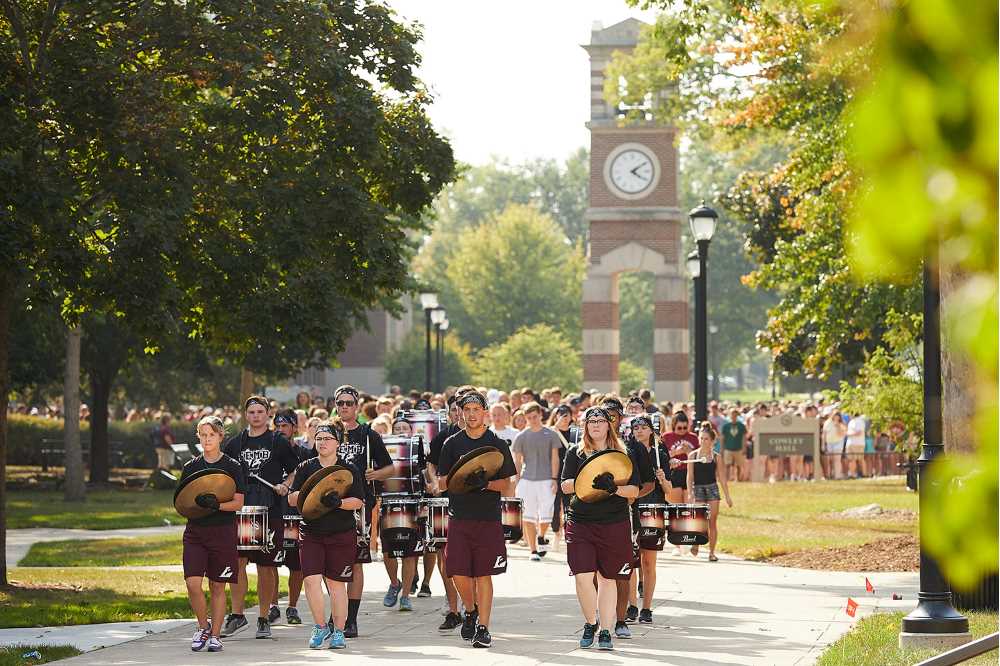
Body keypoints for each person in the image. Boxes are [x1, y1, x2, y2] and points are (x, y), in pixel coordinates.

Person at [436, 390, 517, 649]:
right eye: (466, 409)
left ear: (485, 412)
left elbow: (506, 483)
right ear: (460, 412)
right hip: (459, 517)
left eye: (476, 409)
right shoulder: (452, 444)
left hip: (487, 518)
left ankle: (483, 627)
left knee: (484, 573)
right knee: (457, 571)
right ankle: (469, 610)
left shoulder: (497, 443)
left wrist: (486, 483)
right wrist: (460, 479)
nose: (471, 414)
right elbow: (440, 482)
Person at [560, 406, 641, 651]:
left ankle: (605, 630)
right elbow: (564, 485)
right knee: (583, 577)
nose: (595, 425)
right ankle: (590, 622)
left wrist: (613, 488)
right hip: (581, 522)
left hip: (613, 523)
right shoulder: (576, 452)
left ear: (609, 425)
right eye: (590, 421)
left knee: (607, 579)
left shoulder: (623, 454)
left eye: (600, 420)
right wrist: (585, 482)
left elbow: (634, 492)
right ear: (585, 426)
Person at [221, 396, 300, 639]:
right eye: (251, 412)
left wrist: (286, 485)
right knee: (238, 564)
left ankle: (264, 617)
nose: (255, 415)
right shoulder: (235, 444)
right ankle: (237, 615)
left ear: (268, 414)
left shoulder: (278, 442)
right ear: (246, 415)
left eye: (260, 411)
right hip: (242, 511)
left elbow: (296, 469)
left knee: (266, 567)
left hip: (271, 510)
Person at [288, 419, 366, 650]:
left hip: (341, 533)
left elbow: (358, 501)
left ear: (338, 443)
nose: (321, 443)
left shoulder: (348, 469)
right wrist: (309, 495)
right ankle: (321, 626)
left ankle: (339, 632)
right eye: (318, 438)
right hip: (311, 532)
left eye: (327, 439)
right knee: (311, 581)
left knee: (336, 585)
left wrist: (338, 502)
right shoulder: (306, 467)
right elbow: (292, 498)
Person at [331, 385, 394, 638]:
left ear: (356, 406)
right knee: (331, 562)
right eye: (340, 403)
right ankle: (337, 612)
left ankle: (351, 620)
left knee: (356, 561)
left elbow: (389, 468)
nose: (344, 407)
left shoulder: (368, 435)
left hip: (360, 505)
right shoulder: (328, 432)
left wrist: (374, 474)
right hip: (331, 505)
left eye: (349, 403)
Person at [180, 416, 246, 653]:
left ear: (220, 436)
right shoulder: (191, 467)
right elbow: (182, 502)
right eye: (203, 435)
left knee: (218, 586)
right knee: (193, 584)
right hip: (195, 532)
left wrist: (216, 505)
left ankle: (216, 636)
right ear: (198, 436)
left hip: (222, 532)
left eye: (212, 435)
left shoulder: (232, 466)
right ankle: (202, 626)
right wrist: (195, 505)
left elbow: (238, 502)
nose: (207, 440)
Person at [266, 409, 311, 626]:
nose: (281, 430)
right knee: (271, 562)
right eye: (278, 426)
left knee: (296, 565)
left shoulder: (304, 454)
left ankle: (292, 606)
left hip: (296, 514)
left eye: (285, 426)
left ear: (294, 427)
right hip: (275, 513)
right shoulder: (270, 451)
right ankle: (273, 605)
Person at [426, 394, 464, 631]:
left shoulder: (484, 436)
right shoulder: (443, 437)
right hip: (446, 502)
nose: (460, 413)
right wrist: (434, 484)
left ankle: (474, 607)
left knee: (472, 558)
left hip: (473, 503)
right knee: (444, 558)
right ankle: (453, 610)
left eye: (464, 408)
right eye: (455, 410)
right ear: (449, 414)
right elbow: (430, 464)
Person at [511, 402, 562, 561]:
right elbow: (517, 461)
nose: (533, 420)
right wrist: (517, 481)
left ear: (540, 414)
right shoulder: (521, 436)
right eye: (529, 417)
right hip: (526, 480)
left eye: (535, 416)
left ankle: (541, 535)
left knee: (546, 512)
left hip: (547, 479)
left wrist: (554, 478)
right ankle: (533, 550)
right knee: (528, 515)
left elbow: (555, 458)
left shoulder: (551, 434)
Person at [626, 415, 663, 625]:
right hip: (632, 509)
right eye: (635, 427)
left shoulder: (661, 452)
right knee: (631, 560)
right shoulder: (628, 450)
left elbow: (668, 490)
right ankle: (632, 605)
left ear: (651, 430)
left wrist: (663, 479)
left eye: (643, 427)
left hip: (654, 508)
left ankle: (646, 608)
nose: (639, 430)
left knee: (649, 562)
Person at [686, 422, 733, 561]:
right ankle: (696, 542)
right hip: (698, 488)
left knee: (712, 521)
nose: (703, 441)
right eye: (701, 438)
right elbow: (690, 476)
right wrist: (690, 493)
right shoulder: (693, 456)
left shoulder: (716, 457)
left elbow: (722, 478)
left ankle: (711, 552)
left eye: (706, 439)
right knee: (700, 520)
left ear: (713, 441)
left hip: (712, 488)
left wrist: (728, 496)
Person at [720, 409, 748, 483]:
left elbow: (744, 437)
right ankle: (727, 479)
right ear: (730, 415)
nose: (734, 416)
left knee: (738, 465)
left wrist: (744, 447)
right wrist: (722, 448)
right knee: (727, 465)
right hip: (728, 448)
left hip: (738, 448)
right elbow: (722, 438)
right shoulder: (726, 426)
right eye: (732, 415)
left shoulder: (741, 426)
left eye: (735, 415)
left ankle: (738, 479)